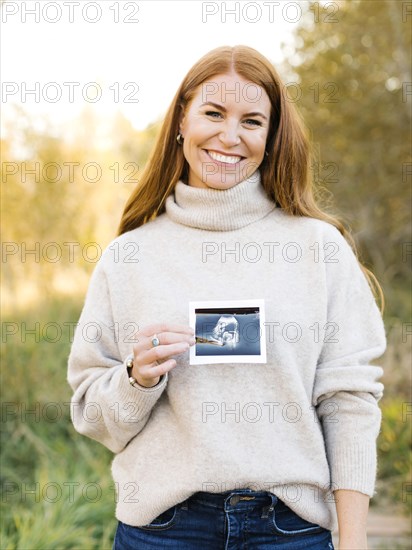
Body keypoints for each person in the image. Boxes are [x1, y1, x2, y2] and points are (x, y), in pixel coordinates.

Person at [67, 45, 387, 550]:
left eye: (252, 121)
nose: (229, 136)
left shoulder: (318, 248)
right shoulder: (128, 256)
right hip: (163, 530)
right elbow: (91, 413)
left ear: (271, 135)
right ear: (181, 119)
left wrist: (354, 538)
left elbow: (349, 400)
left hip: (291, 530)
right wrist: (137, 378)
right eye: (213, 113)